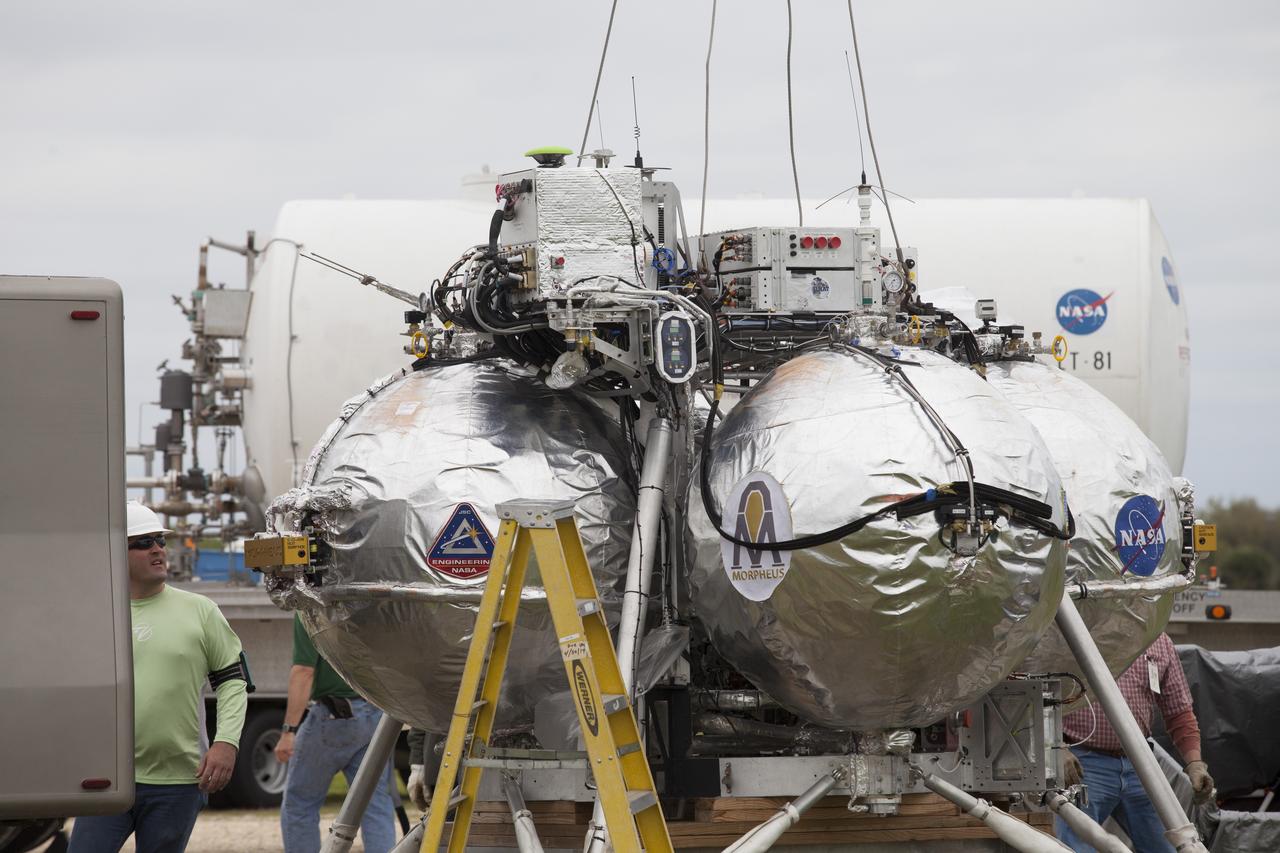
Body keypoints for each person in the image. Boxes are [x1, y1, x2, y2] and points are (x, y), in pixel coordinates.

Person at [70, 502, 247, 853]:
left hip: (178, 780)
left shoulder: (201, 611)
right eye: (143, 542)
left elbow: (232, 680)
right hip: (106, 778)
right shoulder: (95, 614)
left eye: (160, 541)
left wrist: (227, 742)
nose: (157, 549)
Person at [1056, 632, 1215, 852]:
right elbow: (1042, 694)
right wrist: (1055, 747)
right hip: (1084, 763)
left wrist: (1195, 764)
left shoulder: (1158, 641)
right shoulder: (1076, 630)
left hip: (1140, 764)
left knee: (1168, 847)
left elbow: (1179, 712)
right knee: (1077, 847)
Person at [275, 613, 397, 853]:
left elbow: (303, 672)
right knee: (375, 805)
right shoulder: (372, 606)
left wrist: (289, 730)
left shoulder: (310, 610)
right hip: (376, 714)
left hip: (332, 717)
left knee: (300, 804)